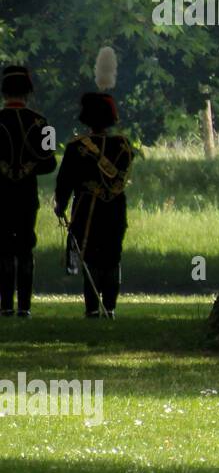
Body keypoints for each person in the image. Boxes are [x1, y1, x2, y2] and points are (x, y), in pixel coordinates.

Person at [54, 48, 133, 318]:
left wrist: (60, 205)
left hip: (87, 208)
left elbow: (65, 181)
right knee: (112, 256)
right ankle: (110, 307)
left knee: (90, 257)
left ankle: (92, 309)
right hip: (114, 208)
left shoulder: (77, 147)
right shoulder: (123, 145)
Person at [0, 65, 57, 317]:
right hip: (26, 196)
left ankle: (5, 307)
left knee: (3, 251)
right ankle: (24, 307)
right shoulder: (42, 123)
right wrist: (27, 168)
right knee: (24, 250)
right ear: (27, 92)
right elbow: (50, 162)